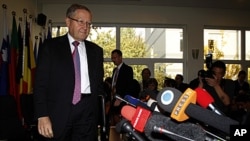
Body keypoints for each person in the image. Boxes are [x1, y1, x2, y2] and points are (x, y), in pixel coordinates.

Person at [33, 4, 104, 141]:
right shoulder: (50, 47)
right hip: (57, 112)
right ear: (68, 22)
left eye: (89, 23)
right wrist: (42, 115)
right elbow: (40, 85)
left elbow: (98, 85)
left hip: (87, 113)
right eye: (81, 21)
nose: (85, 27)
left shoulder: (96, 51)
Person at [109, 49, 133, 125]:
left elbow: (128, 86)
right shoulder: (115, 70)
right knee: (113, 121)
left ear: (120, 57)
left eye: (115, 58)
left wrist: (120, 99)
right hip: (114, 99)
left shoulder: (128, 69)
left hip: (121, 100)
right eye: (112, 58)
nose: (113, 60)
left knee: (120, 122)